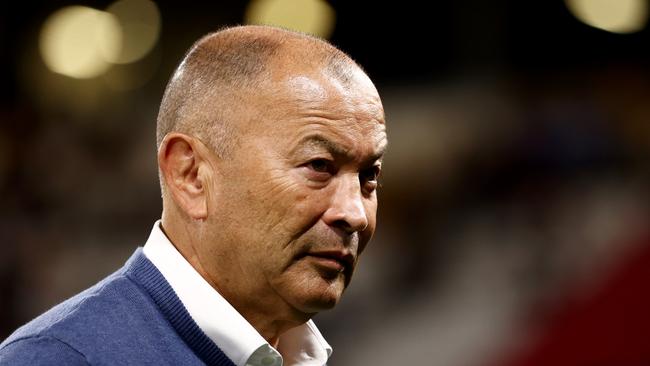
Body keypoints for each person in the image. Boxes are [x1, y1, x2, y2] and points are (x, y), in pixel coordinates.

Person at [0, 25, 387, 365]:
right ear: (191, 175)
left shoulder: (298, 355)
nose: (355, 214)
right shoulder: (57, 359)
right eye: (319, 165)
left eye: (369, 176)